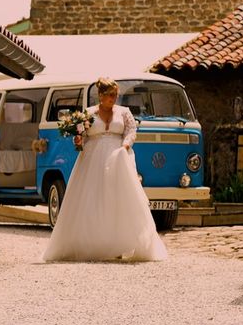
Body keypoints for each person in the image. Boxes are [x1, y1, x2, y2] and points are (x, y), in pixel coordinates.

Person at [42, 77, 168, 262]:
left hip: (118, 158)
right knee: (93, 198)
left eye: (116, 94)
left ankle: (119, 244)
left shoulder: (124, 112)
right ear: (100, 95)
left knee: (118, 198)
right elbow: (81, 137)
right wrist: (78, 140)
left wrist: (125, 146)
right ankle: (92, 243)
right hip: (93, 160)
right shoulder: (88, 113)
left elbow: (131, 131)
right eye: (110, 95)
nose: (113, 98)